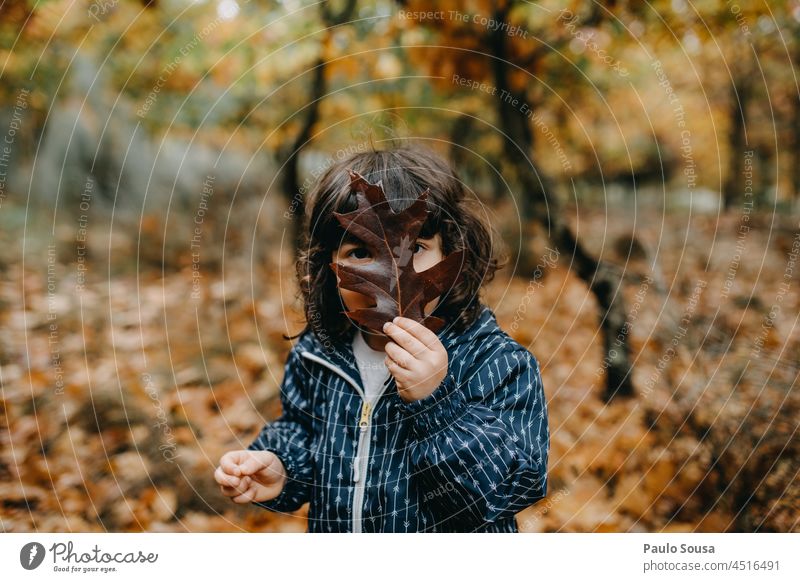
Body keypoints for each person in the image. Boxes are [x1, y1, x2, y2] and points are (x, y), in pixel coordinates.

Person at [214, 144, 549, 532]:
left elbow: (508, 490)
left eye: (415, 249)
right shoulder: (318, 354)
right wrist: (282, 466)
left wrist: (436, 404)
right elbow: (305, 433)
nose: (389, 274)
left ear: (452, 256)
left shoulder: (497, 364)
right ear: (330, 265)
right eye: (360, 252)